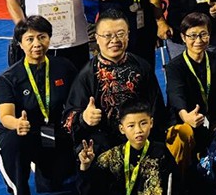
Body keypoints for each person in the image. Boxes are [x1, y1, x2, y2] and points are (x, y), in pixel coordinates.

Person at [0, 16, 78, 195]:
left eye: (42, 37)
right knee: (14, 143)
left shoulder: (63, 67)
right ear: (20, 43)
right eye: (29, 39)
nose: (37, 44)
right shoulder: (8, 78)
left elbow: (77, 100)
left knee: (54, 182)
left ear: (49, 38)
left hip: (49, 131)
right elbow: (5, 116)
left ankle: (43, 169)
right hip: (20, 133)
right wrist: (17, 124)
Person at [63, 9, 169, 155]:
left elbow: (158, 109)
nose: (114, 40)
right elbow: (68, 121)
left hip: (142, 143)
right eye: (107, 35)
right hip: (105, 150)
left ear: (128, 35)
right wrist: (84, 118)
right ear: (96, 38)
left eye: (120, 34)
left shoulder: (142, 67)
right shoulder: (87, 75)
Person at [165, 12, 216, 179]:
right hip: (184, 122)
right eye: (192, 35)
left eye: (203, 34)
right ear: (183, 38)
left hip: (214, 121)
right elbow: (176, 95)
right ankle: (180, 183)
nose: (198, 40)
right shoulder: (174, 67)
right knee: (182, 134)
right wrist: (186, 116)